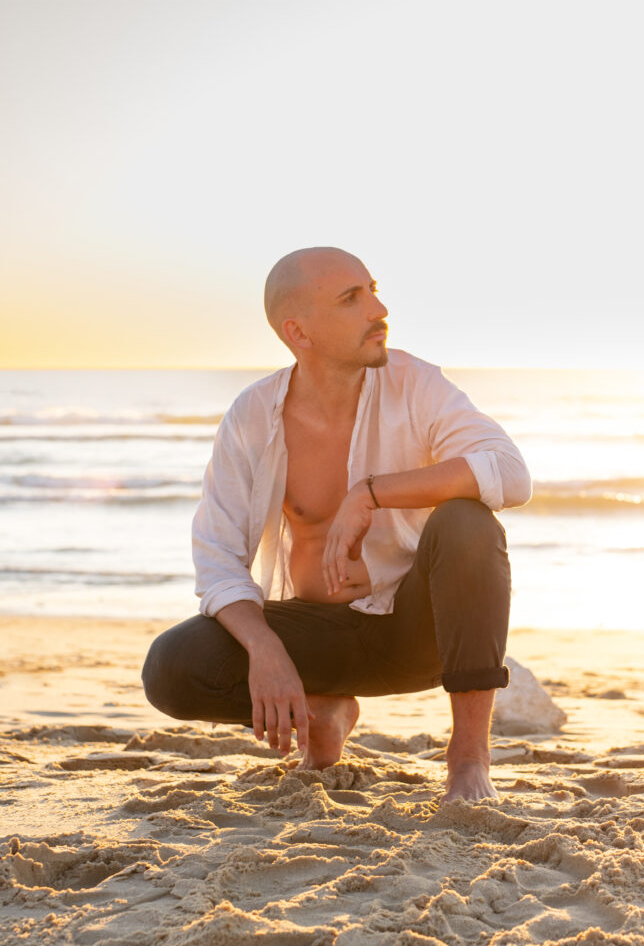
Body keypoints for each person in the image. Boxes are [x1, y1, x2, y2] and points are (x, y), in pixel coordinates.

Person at [142, 247, 531, 801]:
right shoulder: (254, 415)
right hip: (318, 639)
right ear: (298, 331)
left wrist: (370, 493)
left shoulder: (415, 384)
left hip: (419, 635)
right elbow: (216, 555)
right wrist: (266, 652)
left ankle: (468, 759)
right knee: (172, 666)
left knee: (468, 521)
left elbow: (510, 473)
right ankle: (322, 713)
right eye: (353, 298)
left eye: (372, 289)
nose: (379, 307)